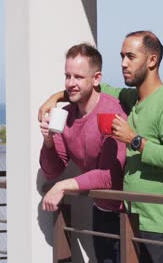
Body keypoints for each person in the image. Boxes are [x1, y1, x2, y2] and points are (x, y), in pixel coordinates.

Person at [39, 31, 163, 263]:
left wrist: (134, 140)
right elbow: (92, 87)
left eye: (130, 57)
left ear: (152, 60)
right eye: (122, 56)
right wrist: (56, 97)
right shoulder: (131, 98)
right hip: (135, 217)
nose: (123, 64)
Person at [39, 43, 127, 263]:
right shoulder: (66, 114)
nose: (70, 83)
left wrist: (62, 186)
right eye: (67, 76)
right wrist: (48, 141)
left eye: (78, 77)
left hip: (128, 215)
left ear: (96, 79)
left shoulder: (111, 112)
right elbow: (52, 170)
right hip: (102, 209)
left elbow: (109, 175)